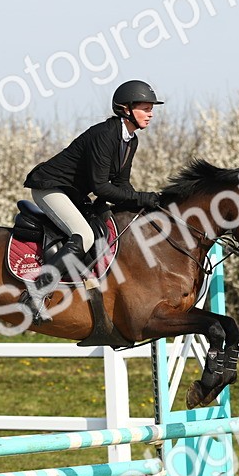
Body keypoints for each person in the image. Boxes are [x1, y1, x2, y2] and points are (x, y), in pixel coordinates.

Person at [19, 79, 165, 321]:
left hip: (74, 193)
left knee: (107, 224)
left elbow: (121, 185)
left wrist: (143, 205)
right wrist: (143, 198)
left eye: (151, 109)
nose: (150, 114)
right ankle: (35, 292)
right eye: (145, 108)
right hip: (51, 187)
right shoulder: (105, 135)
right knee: (84, 236)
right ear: (126, 109)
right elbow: (102, 188)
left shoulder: (130, 140)